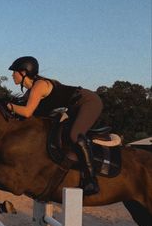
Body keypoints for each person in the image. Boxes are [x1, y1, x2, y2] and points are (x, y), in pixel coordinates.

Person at [7, 56, 103, 196]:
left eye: (14, 71)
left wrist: (7, 105)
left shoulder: (39, 86)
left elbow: (27, 112)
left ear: (23, 72)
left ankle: (91, 180)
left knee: (74, 134)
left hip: (87, 102)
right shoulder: (29, 92)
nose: (12, 75)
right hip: (73, 108)